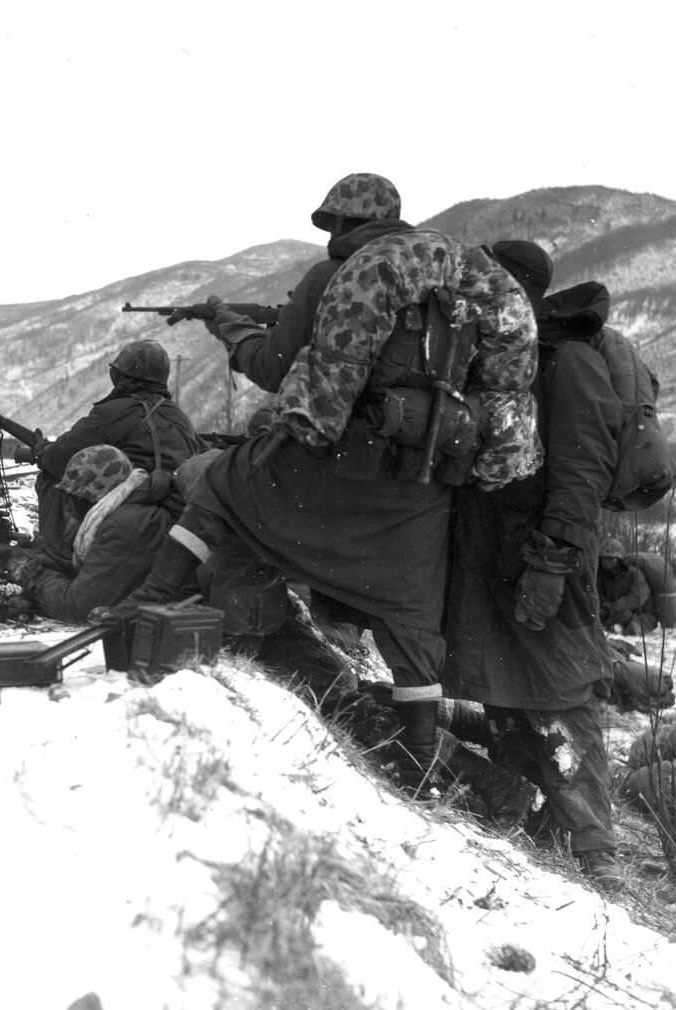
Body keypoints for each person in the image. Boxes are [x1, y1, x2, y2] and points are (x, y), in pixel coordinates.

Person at [101, 214, 542, 791]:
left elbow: (281, 372)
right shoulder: (474, 292)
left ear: (346, 226)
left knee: (224, 485)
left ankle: (152, 598)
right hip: (417, 486)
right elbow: (501, 398)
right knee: (413, 621)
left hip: (335, 465)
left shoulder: (341, 277)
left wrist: (232, 329)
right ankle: (419, 759)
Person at [442, 241, 625, 889]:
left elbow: (582, 475)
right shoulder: (495, 356)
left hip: (546, 559)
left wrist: (552, 563)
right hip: (492, 558)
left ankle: (597, 852)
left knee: (562, 693)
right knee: (504, 688)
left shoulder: (568, 363)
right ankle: (541, 818)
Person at [205, 173, 412, 392]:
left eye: (333, 225)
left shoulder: (332, 277)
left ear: (342, 222)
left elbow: (272, 370)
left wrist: (231, 328)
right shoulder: (425, 277)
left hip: (355, 423)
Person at [25, 339, 203, 568]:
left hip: (125, 512)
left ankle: (56, 560)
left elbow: (58, 459)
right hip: (175, 515)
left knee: (50, 478)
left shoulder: (112, 413)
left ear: (122, 378)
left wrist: (43, 452)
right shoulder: (180, 417)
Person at [0, 445, 173, 623]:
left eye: (72, 498)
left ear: (88, 498)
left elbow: (78, 608)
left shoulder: (127, 524)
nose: (68, 507)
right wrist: (44, 559)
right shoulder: (129, 511)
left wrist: (30, 571)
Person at [597, 536, 676, 635]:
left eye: (610, 559)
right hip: (618, 614)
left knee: (632, 629)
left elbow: (637, 598)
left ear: (619, 560)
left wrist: (611, 608)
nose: (606, 563)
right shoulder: (602, 576)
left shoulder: (634, 574)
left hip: (643, 616)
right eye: (604, 559)